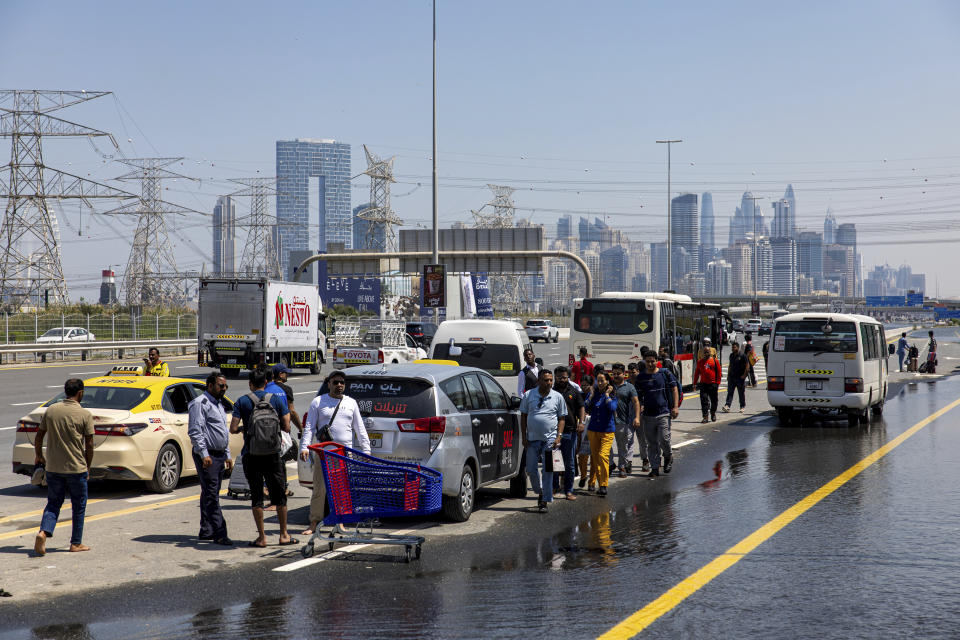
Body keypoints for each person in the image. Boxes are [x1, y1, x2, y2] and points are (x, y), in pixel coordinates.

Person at [228, 368, 296, 548]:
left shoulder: (242, 401)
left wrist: (247, 430)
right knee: (279, 495)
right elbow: (287, 427)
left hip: (252, 454)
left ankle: (262, 538)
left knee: (257, 497)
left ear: (250, 384)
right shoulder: (274, 399)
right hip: (273, 455)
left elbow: (233, 429)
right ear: (266, 383)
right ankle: (283, 535)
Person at [300, 370, 371, 535]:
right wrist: (304, 446)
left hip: (344, 455)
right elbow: (309, 427)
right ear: (328, 384)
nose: (339, 385)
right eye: (335, 382)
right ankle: (314, 522)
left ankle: (341, 522)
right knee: (319, 489)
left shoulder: (351, 403)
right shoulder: (318, 402)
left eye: (342, 383)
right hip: (323, 454)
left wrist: (366, 451)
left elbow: (360, 429)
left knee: (342, 490)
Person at [33, 378, 94, 556]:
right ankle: (75, 543)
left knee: (53, 503)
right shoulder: (84, 414)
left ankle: (43, 532)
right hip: (76, 468)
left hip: (53, 468)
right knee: (79, 505)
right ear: (80, 393)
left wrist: (39, 455)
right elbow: (89, 445)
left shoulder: (52, 410)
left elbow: (39, 437)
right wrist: (88, 467)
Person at [187, 371, 234, 546]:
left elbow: (221, 433)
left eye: (225, 386)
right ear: (210, 385)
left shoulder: (219, 404)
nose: (224, 389)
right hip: (208, 455)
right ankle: (220, 532)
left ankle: (206, 530)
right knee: (212, 494)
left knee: (208, 492)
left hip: (219, 454)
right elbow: (195, 431)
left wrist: (227, 455)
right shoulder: (200, 404)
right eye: (221, 385)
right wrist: (204, 454)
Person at [519, 369, 566, 512]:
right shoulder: (529, 395)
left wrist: (559, 436)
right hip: (532, 439)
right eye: (546, 380)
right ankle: (540, 491)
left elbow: (562, 418)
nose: (549, 383)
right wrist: (524, 437)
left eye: (551, 380)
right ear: (539, 381)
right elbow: (524, 416)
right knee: (531, 470)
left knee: (548, 470)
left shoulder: (557, 397)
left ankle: (544, 500)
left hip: (550, 440)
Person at [635, 351, 679, 478]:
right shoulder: (641, 377)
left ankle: (668, 456)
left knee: (664, 439)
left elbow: (674, 388)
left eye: (652, 361)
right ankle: (654, 468)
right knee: (652, 443)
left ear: (656, 360)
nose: (650, 363)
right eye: (647, 361)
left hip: (663, 413)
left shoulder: (665, 373)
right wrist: (639, 411)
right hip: (648, 415)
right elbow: (637, 397)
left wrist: (675, 407)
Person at [551, 366, 584, 501]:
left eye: (564, 377)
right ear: (555, 377)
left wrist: (581, 422)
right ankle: (554, 487)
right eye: (559, 377)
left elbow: (581, 407)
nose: (562, 380)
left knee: (569, 463)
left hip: (570, 431)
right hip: (553, 432)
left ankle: (569, 490)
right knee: (553, 462)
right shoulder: (551, 391)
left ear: (568, 377)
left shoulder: (574, 391)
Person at [584, 372, 616, 496]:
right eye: (598, 380)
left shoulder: (612, 395)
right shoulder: (594, 393)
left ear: (608, 381)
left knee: (603, 456)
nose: (600, 383)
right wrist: (591, 395)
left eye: (602, 380)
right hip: (593, 429)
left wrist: (607, 395)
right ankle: (596, 482)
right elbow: (585, 406)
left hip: (607, 431)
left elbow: (612, 408)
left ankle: (603, 484)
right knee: (596, 458)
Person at [608, 363, 642, 477]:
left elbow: (636, 402)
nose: (616, 376)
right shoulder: (609, 385)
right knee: (606, 446)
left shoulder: (629, 387)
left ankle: (622, 466)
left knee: (622, 446)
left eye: (618, 373)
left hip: (623, 421)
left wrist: (637, 417)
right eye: (614, 374)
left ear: (624, 374)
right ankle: (611, 463)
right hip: (608, 421)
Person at [693, 338, 722, 423]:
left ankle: (713, 413)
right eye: (704, 352)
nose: (706, 354)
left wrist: (717, 383)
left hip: (713, 384)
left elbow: (719, 372)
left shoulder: (715, 361)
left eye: (707, 352)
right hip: (703, 384)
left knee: (714, 400)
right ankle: (705, 416)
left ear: (710, 352)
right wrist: (694, 383)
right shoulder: (700, 362)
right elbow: (697, 373)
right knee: (704, 401)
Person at [722, 342, 749, 413]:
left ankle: (742, 406)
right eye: (732, 347)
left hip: (740, 378)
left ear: (738, 347)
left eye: (734, 347)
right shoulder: (731, 355)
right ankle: (727, 405)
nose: (732, 349)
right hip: (732, 377)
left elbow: (747, 366)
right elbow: (730, 366)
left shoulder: (743, 355)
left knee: (741, 393)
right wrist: (728, 375)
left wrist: (744, 375)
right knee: (730, 392)